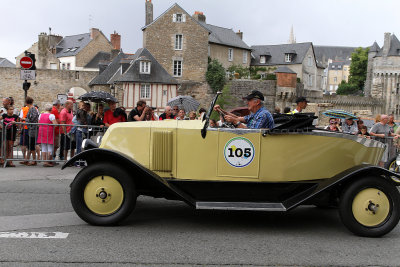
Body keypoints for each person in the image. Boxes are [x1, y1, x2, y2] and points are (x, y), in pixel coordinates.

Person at [25, 97, 40, 166]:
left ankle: (34, 160)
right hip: (32, 128)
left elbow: (33, 118)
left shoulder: (33, 109)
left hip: (33, 129)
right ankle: (27, 159)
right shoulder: (32, 109)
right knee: (30, 144)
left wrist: (26, 120)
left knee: (31, 144)